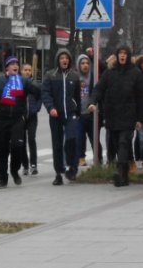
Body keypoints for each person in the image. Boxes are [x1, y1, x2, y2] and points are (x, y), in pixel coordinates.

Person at [0, 56, 41, 189]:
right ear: (7, 68)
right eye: (12, 64)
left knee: (17, 146)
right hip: (2, 119)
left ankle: (14, 170)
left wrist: (35, 83)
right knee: (2, 150)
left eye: (17, 64)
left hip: (17, 119)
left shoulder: (23, 81)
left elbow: (38, 92)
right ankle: (3, 178)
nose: (15, 66)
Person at [88, 46, 143, 187]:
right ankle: (124, 177)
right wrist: (93, 102)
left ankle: (120, 173)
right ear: (117, 56)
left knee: (124, 143)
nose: (122, 56)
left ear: (128, 55)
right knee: (117, 146)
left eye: (125, 53)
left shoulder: (135, 73)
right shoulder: (109, 73)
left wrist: (140, 118)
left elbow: (141, 97)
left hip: (128, 115)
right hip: (112, 115)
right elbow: (98, 89)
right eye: (120, 53)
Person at [42, 49, 81, 186]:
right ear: (58, 60)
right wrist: (50, 108)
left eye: (66, 58)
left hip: (71, 113)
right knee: (57, 144)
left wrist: (78, 113)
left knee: (72, 139)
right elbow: (45, 94)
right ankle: (58, 173)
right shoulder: (50, 75)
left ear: (69, 60)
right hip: (56, 114)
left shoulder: (74, 76)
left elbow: (77, 97)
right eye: (61, 58)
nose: (64, 60)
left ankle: (72, 167)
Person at [76, 53, 100, 167]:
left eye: (87, 63)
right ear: (78, 65)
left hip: (91, 113)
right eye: (82, 63)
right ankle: (81, 158)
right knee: (80, 137)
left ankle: (98, 158)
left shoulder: (93, 77)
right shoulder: (75, 77)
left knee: (94, 138)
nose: (85, 65)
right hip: (79, 113)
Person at [21, 63, 42, 176]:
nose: (28, 72)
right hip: (22, 116)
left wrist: (37, 108)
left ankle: (33, 165)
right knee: (22, 141)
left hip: (32, 116)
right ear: (21, 71)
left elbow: (40, 96)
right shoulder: (18, 83)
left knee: (31, 139)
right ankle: (25, 165)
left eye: (29, 70)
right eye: (25, 70)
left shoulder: (35, 84)